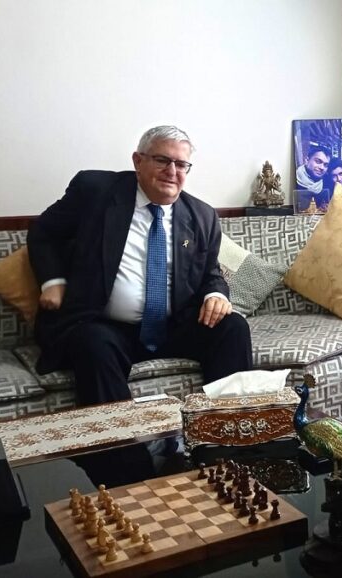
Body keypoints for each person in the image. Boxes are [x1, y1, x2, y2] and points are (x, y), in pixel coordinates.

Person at [28, 125, 253, 405]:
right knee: (93, 343)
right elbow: (44, 233)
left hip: (172, 326)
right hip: (104, 325)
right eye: (162, 160)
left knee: (232, 327)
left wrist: (216, 294)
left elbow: (210, 273)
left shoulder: (202, 216)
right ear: (138, 161)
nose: (172, 171)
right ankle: (124, 447)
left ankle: (229, 434)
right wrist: (53, 281)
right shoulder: (95, 191)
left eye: (181, 164)